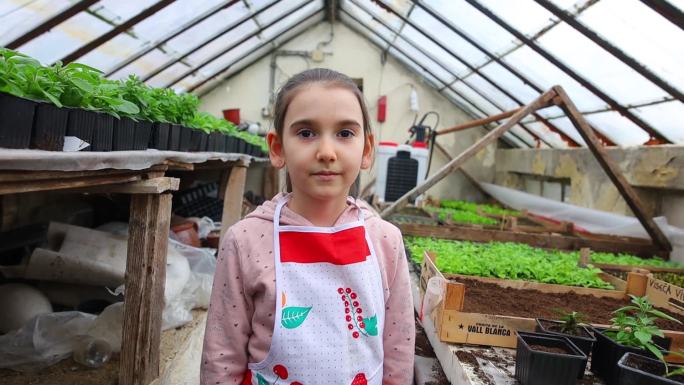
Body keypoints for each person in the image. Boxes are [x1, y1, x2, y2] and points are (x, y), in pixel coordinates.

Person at [201, 68, 414, 385]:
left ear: (367, 149)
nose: (326, 152)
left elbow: (398, 350)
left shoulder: (384, 240)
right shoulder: (245, 240)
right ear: (277, 148)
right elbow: (222, 355)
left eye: (345, 133)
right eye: (306, 133)